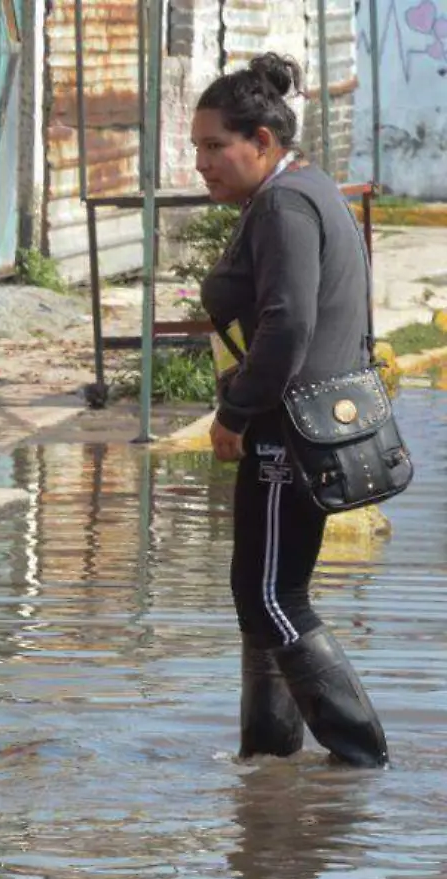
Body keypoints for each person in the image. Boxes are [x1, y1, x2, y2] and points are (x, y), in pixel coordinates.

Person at [194, 53, 388, 767]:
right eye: (198, 149)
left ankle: (360, 756)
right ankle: (269, 760)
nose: (203, 164)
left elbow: (288, 327)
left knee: (270, 596)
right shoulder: (306, 192)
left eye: (216, 147)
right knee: (264, 600)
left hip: (286, 433)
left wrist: (236, 415)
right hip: (301, 427)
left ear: (264, 143)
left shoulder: (282, 205)